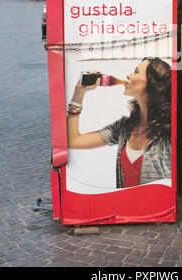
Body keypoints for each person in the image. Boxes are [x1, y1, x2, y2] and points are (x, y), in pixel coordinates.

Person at [67, 57, 172, 188]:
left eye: (136, 71)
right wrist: (79, 94)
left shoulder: (169, 129)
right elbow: (73, 141)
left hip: (157, 207)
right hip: (125, 206)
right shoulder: (124, 128)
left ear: (152, 82)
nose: (128, 75)